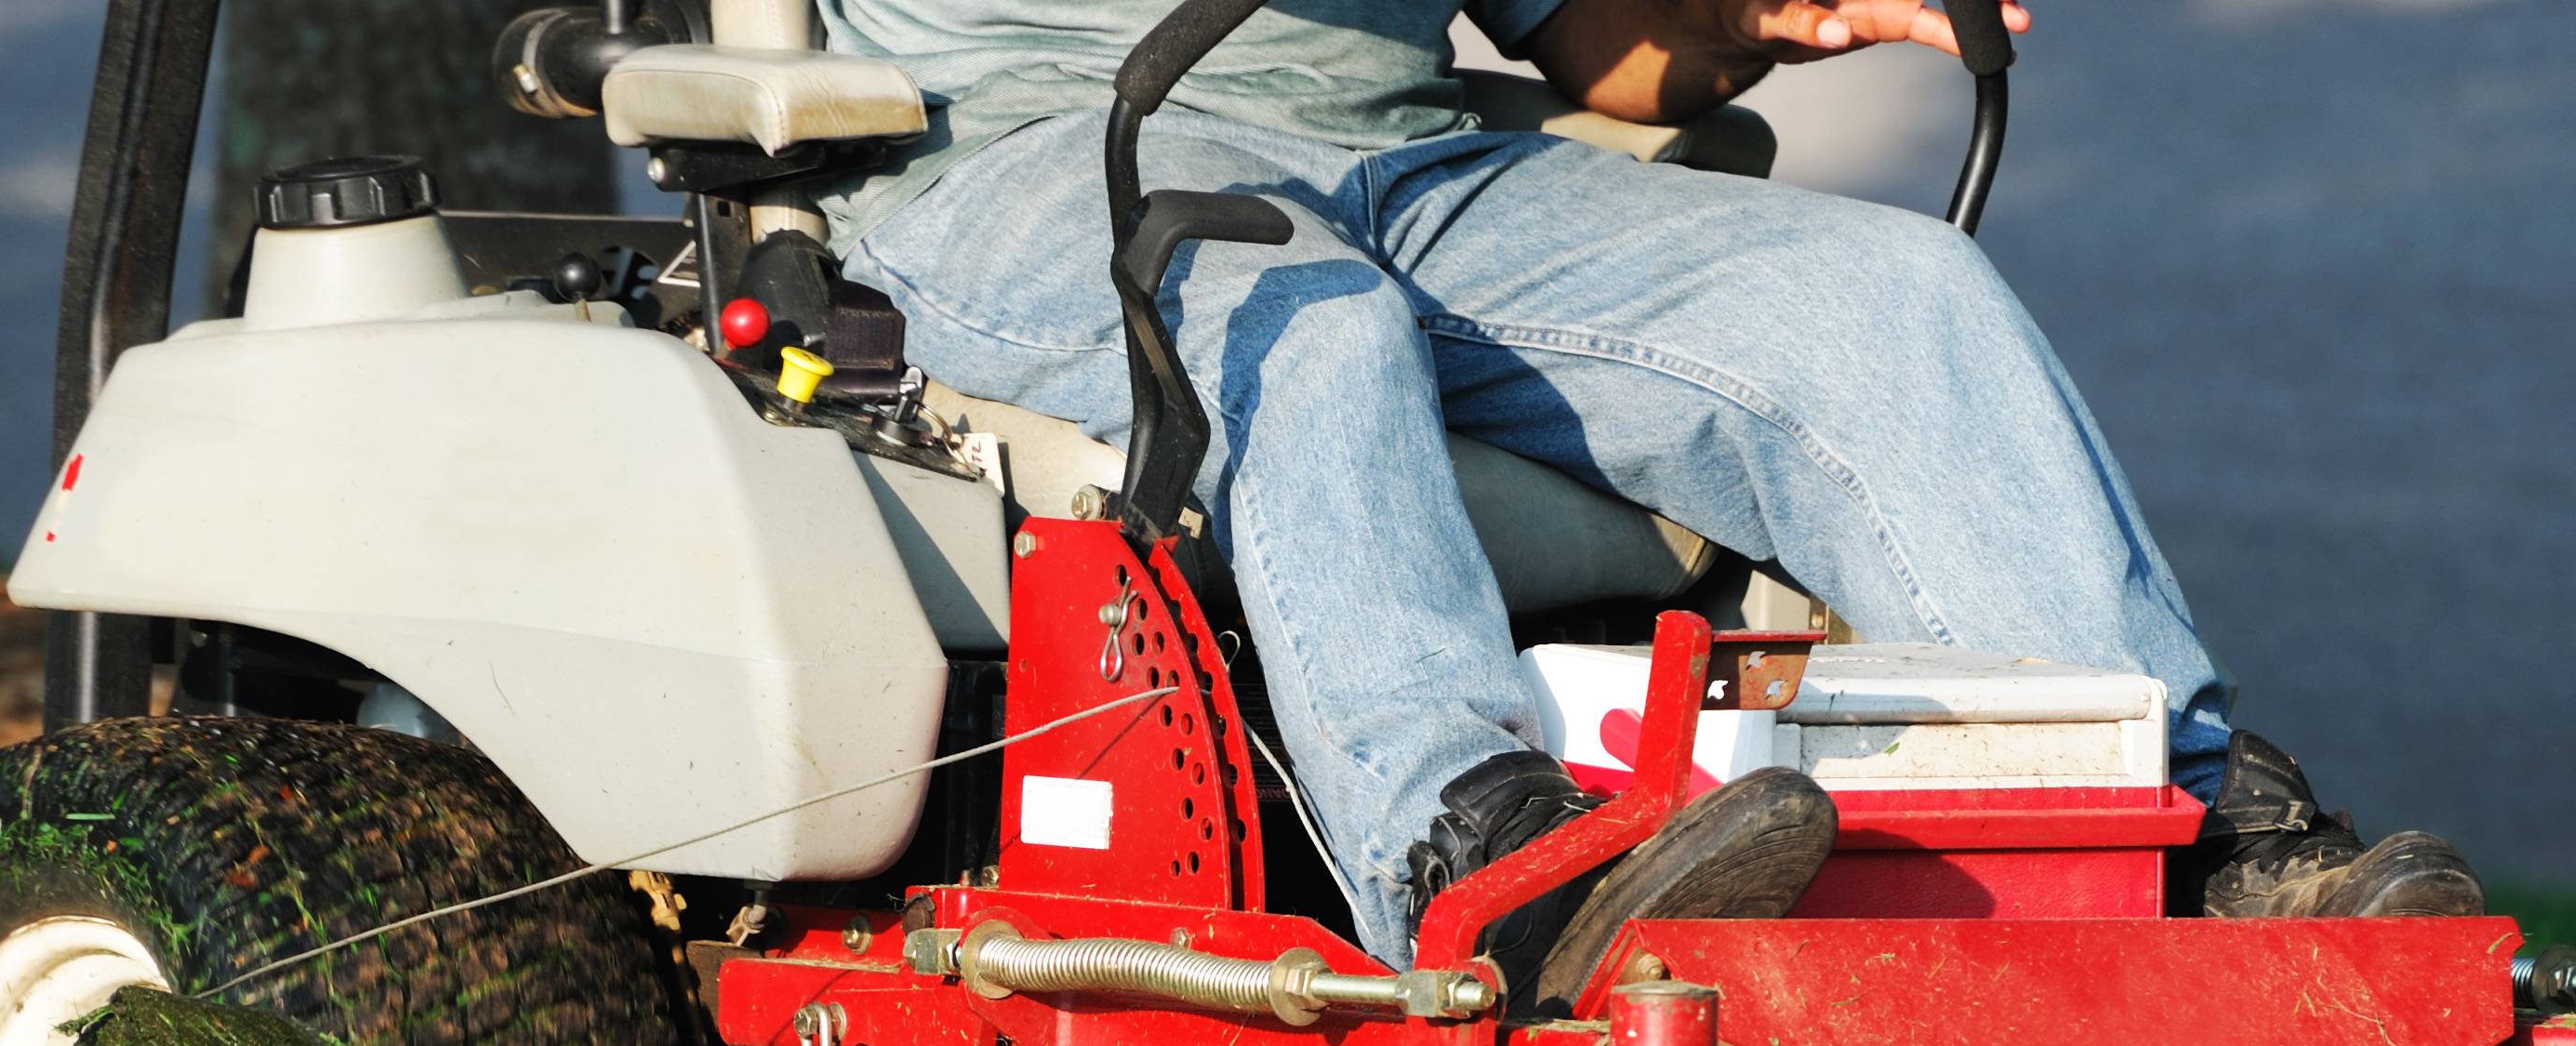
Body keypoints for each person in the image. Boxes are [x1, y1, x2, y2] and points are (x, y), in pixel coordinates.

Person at [812, 0, 2478, 975]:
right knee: (1307, 322)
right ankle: (1479, 867)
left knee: (1891, 297)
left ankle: (2176, 825)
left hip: (1415, 163)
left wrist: (1747, 15)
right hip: (1033, 158)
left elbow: (1601, 53)